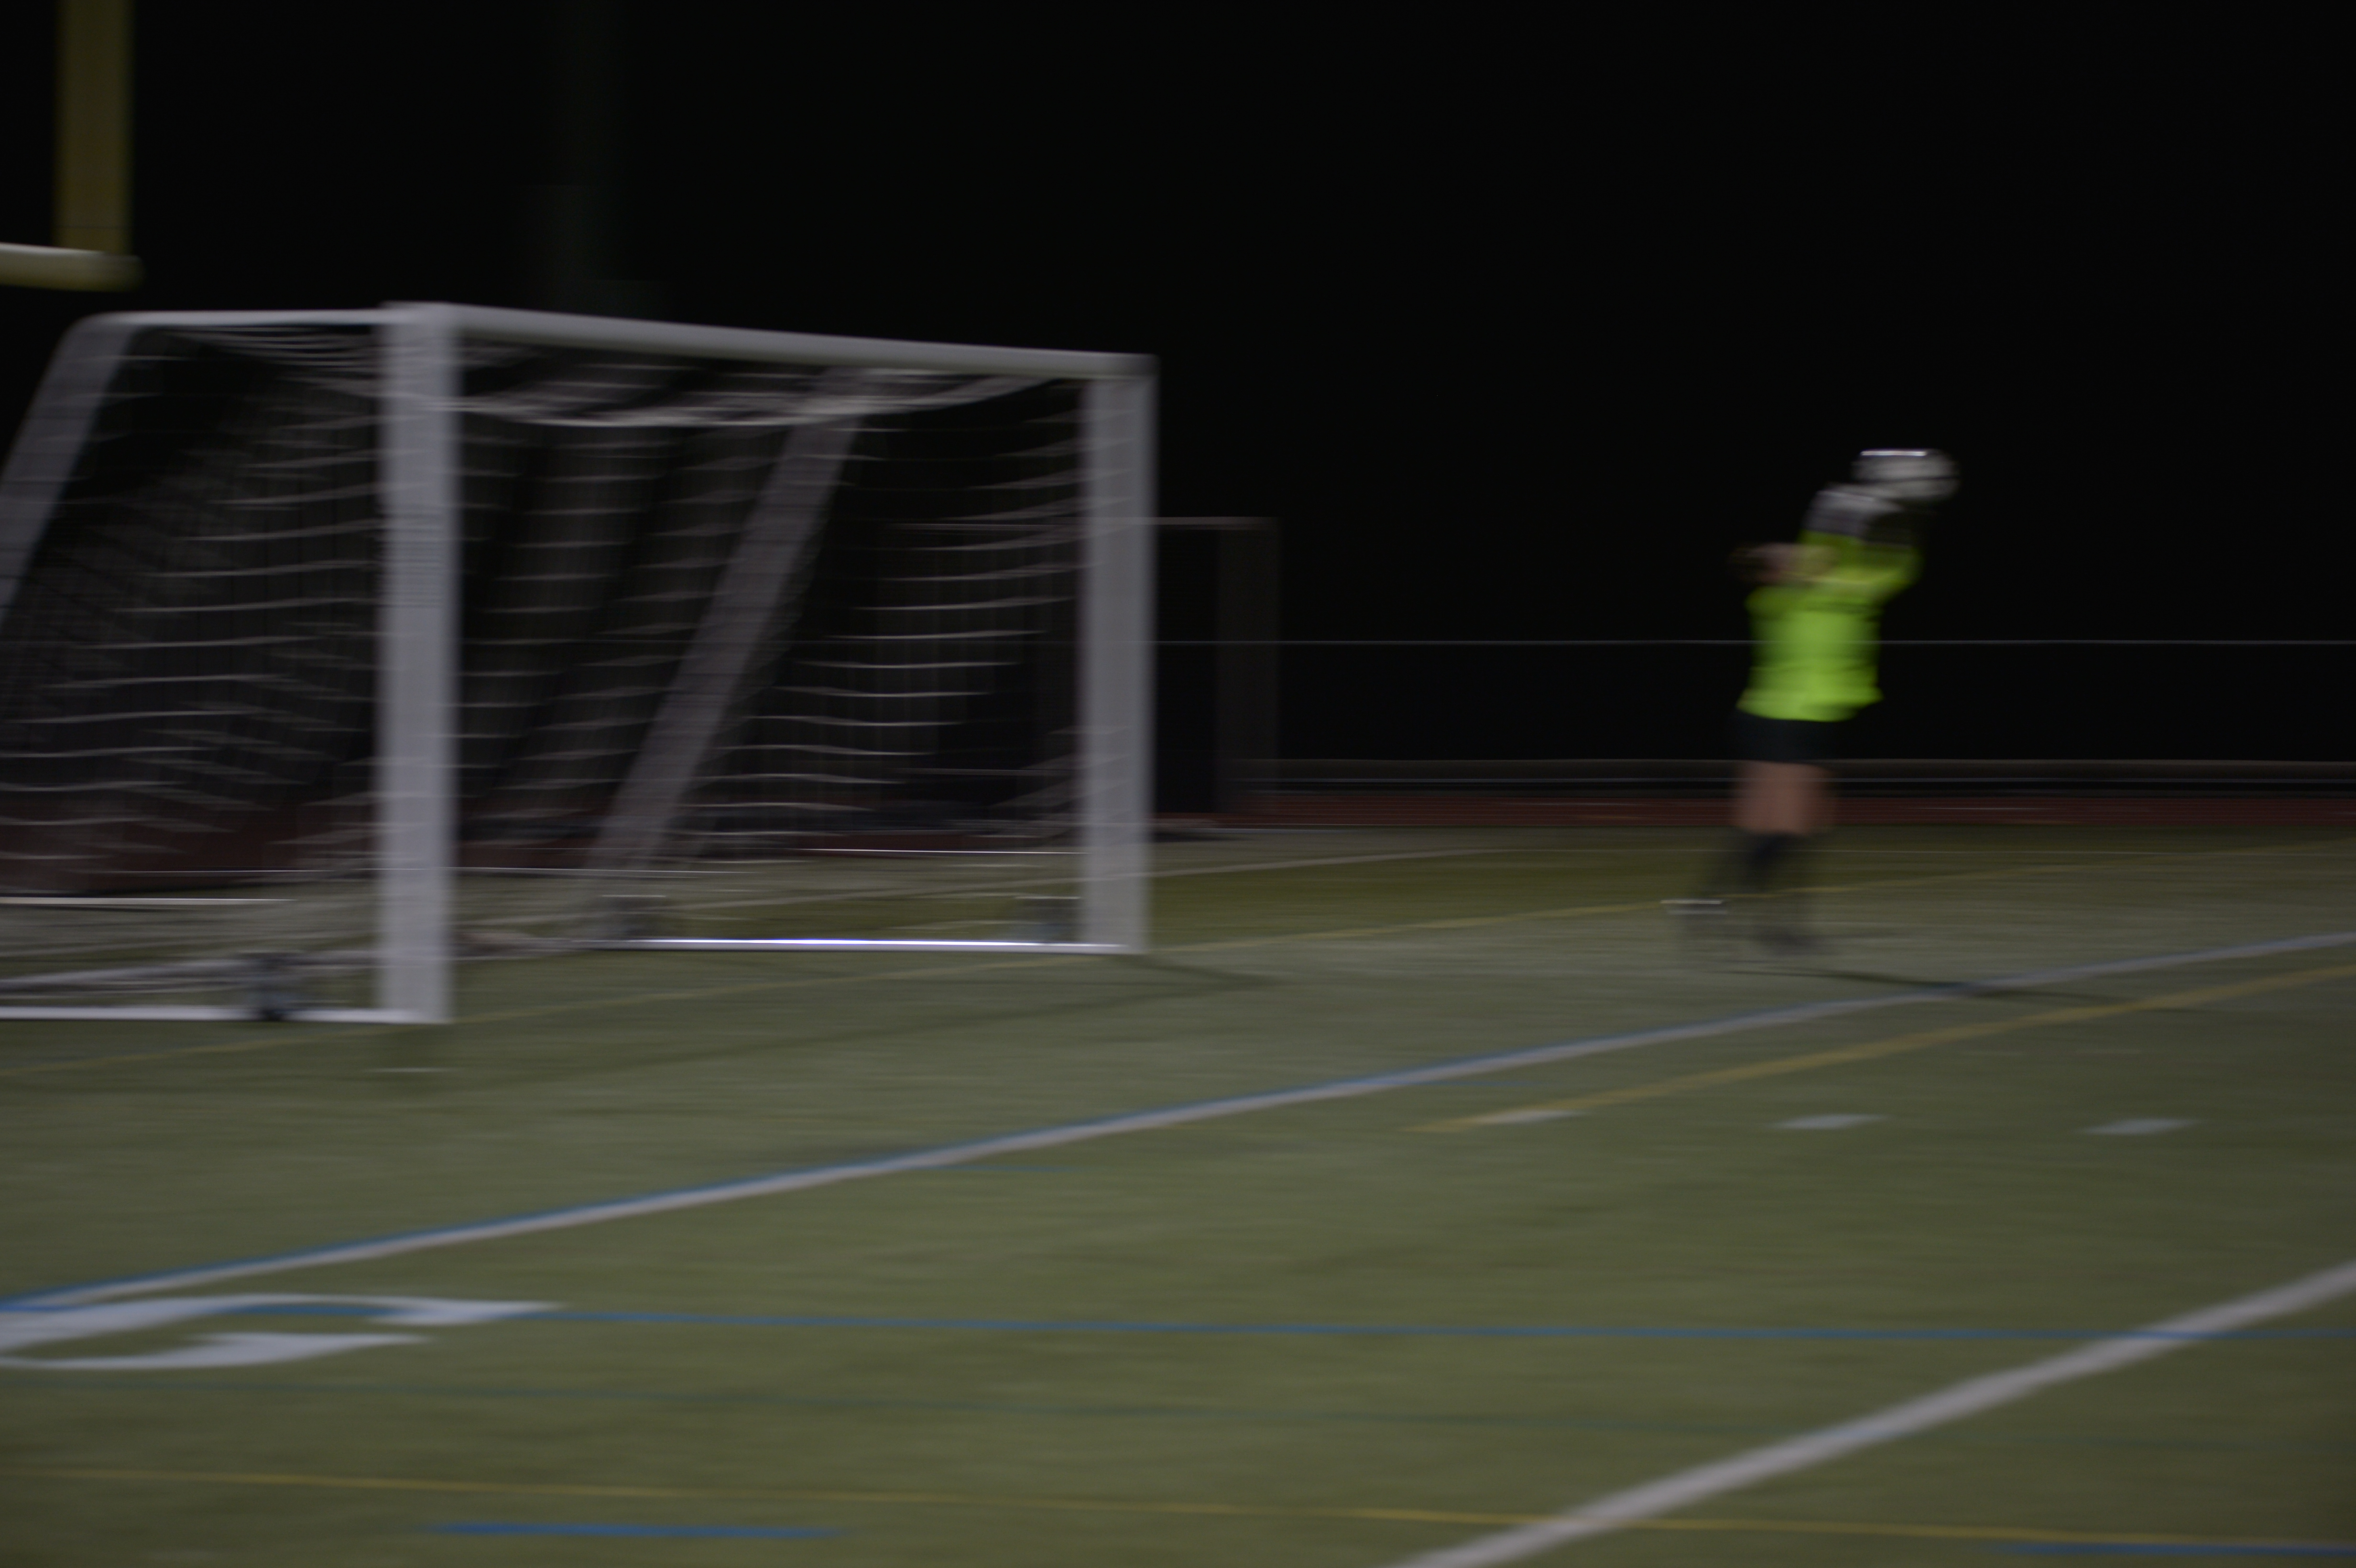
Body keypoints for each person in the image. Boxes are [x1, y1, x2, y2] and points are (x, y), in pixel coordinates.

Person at [1669, 448, 1954, 951]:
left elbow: (1899, 569)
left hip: (1782, 716)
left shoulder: (1839, 585)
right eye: (1782, 556)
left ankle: (1726, 909)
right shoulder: (1781, 599)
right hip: (1785, 718)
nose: (1793, 553)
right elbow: (1832, 546)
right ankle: (1745, 916)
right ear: (1771, 574)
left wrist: (1908, 512)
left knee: (1778, 826)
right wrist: (1863, 505)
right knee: (1791, 826)